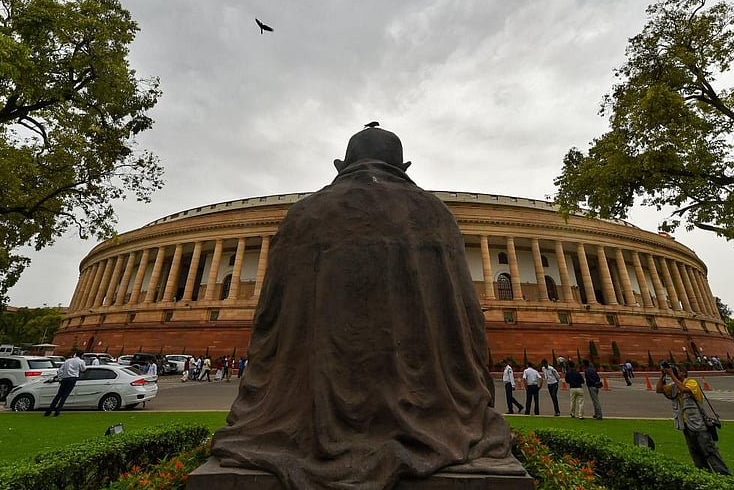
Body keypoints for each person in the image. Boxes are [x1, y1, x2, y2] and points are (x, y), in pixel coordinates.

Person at [211, 125, 520, 488]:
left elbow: (268, 318)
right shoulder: (435, 215)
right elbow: (467, 320)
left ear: (341, 164)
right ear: (404, 166)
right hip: (426, 406)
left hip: (303, 412)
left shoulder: (303, 215)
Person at [656, 363, 731, 475]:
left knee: (710, 452)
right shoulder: (674, 386)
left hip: (699, 426)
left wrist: (672, 375)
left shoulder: (691, 382)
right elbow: (659, 389)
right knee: (695, 454)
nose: (674, 372)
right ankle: (705, 476)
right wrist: (662, 376)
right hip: (686, 426)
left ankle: (725, 477)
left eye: (676, 371)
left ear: (683, 372)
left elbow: (685, 389)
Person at [45, 350, 86, 417]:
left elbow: (60, 370)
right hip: (72, 379)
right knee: (65, 396)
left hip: (65, 379)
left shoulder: (68, 360)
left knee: (58, 395)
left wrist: (60, 378)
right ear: (81, 355)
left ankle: (48, 411)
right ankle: (57, 411)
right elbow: (83, 369)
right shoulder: (81, 361)